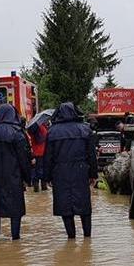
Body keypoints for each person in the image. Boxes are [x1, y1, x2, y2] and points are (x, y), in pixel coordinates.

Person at [43, 102, 98, 239]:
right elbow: (92, 155)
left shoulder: (52, 132)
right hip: (81, 171)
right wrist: (93, 174)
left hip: (60, 172)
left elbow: (48, 157)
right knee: (84, 204)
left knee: (65, 205)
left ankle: (71, 236)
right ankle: (87, 237)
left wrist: (47, 176)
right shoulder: (85, 129)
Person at [0, 104, 32, 240]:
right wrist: (28, 178)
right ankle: (15, 238)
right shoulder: (17, 133)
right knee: (15, 210)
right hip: (13, 176)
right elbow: (24, 158)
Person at [28, 119, 50, 192]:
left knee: (36, 171)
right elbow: (40, 139)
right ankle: (43, 187)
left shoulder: (32, 128)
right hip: (41, 153)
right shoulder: (39, 127)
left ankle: (37, 188)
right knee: (42, 170)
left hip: (36, 153)